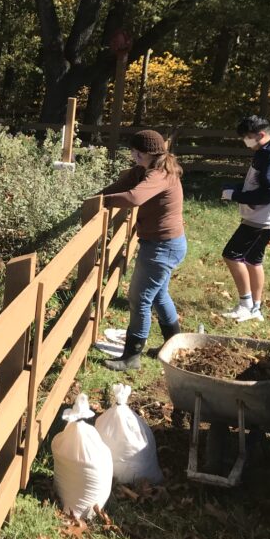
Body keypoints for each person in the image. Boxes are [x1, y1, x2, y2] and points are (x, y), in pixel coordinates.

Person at [98, 130, 186, 371]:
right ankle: (173, 344)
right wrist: (97, 197)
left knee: (140, 299)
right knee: (159, 295)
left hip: (162, 247)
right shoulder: (143, 170)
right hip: (163, 244)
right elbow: (122, 185)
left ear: (143, 152)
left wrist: (105, 202)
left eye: (134, 151)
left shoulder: (160, 174)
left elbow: (134, 197)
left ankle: (131, 356)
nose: (132, 155)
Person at [220, 115, 270, 323]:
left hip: (263, 219)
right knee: (253, 259)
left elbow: (269, 193)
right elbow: (258, 184)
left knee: (232, 254)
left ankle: (245, 305)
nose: (246, 141)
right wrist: (235, 189)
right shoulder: (265, 152)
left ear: (261, 135)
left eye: (248, 137)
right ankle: (255, 308)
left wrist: (235, 196)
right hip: (263, 217)